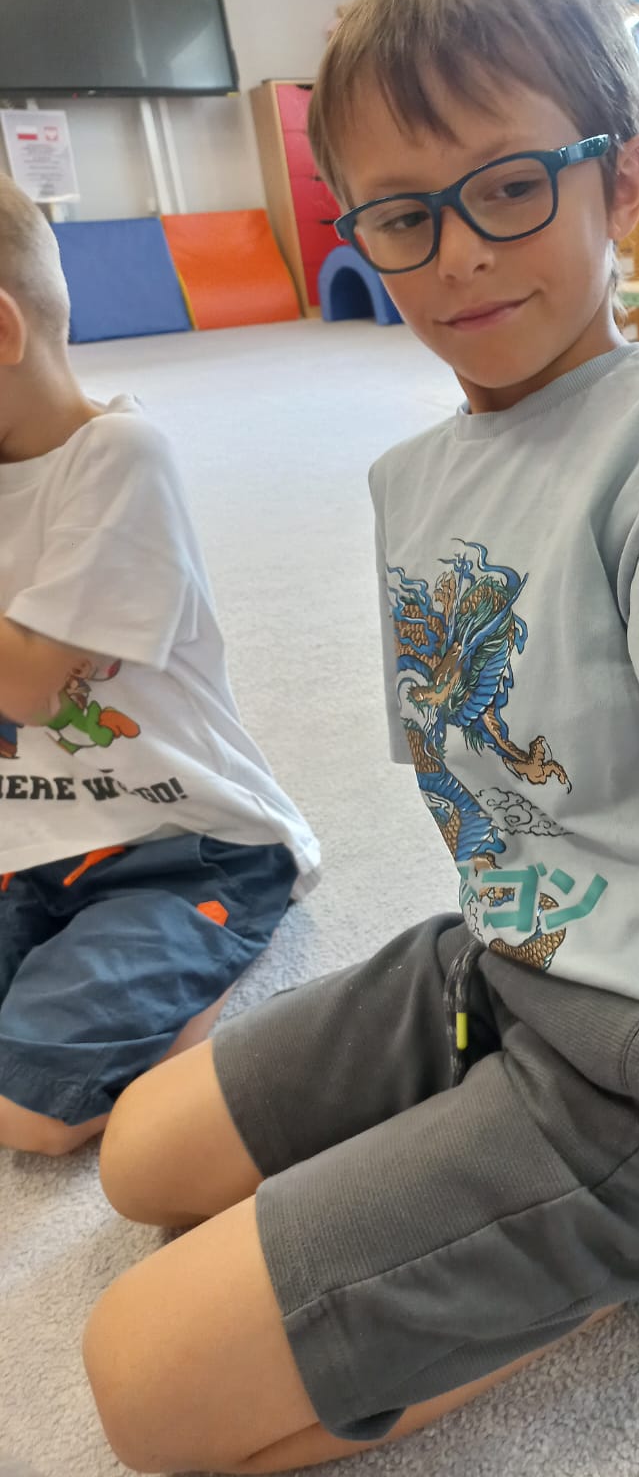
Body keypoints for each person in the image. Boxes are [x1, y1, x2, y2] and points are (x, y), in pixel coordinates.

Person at [83, 0, 639, 1475]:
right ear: (359, 235)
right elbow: (500, 781)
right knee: (142, 1158)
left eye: (512, 187)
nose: (460, 253)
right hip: (510, 958)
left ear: (622, 181)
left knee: (144, 1386)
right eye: (405, 215)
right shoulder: (419, 478)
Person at [0, 175, 319, 1158]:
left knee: (33, 1107)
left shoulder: (119, 456)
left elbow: (31, 686)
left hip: (181, 841)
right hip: (26, 845)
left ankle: (207, 963)